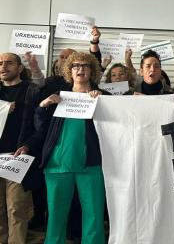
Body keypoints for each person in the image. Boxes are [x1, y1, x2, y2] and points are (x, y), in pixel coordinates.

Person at [16, 52, 109, 244]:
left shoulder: (103, 97)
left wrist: (102, 103)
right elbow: (40, 129)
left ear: (92, 70)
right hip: (57, 164)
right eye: (75, 66)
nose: (80, 69)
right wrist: (43, 105)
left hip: (92, 164)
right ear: (69, 70)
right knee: (56, 217)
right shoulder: (57, 96)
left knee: (94, 216)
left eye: (85, 65)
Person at [0, 53, 39, 244]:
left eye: (9, 63)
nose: (3, 66)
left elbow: (40, 125)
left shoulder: (31, 91)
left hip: (18, 157)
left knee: (16, 208)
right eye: (0, 63)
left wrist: (28, 145)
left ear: (20, 68)